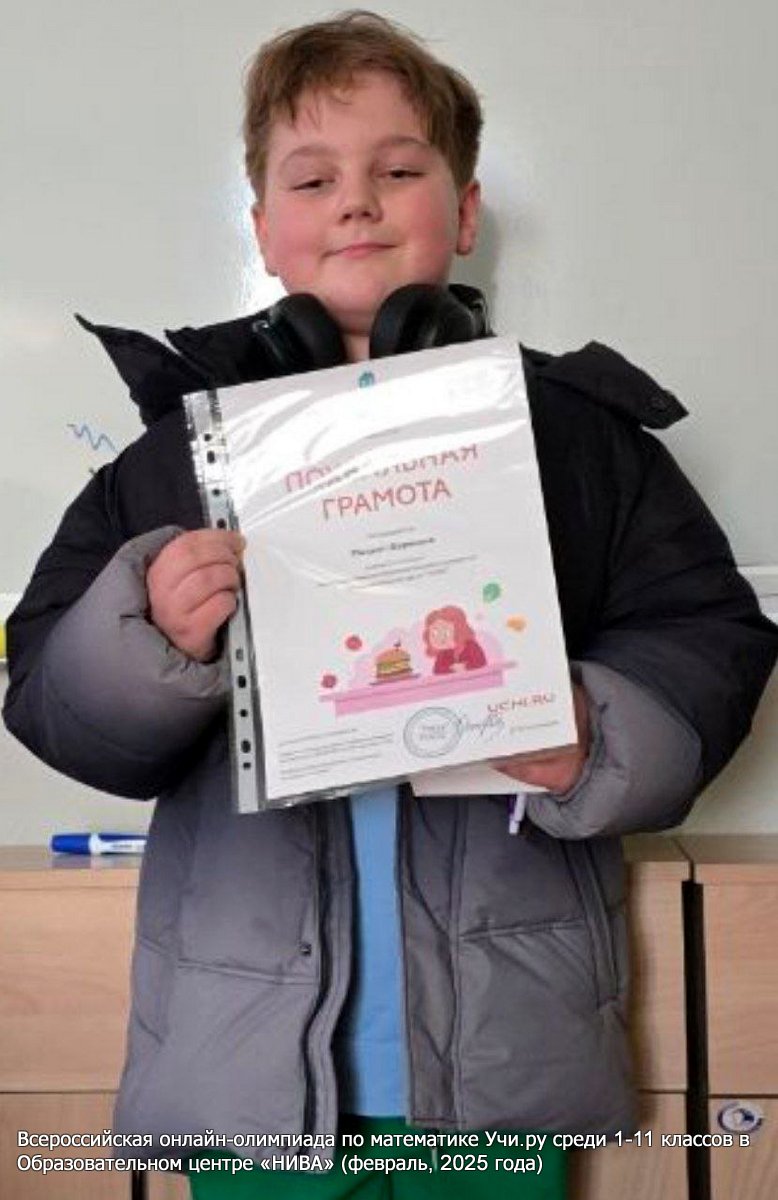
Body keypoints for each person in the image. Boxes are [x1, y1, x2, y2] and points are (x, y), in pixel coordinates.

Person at [4, 10, 777, 1200]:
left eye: (398, 171)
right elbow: (52, 696)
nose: (356, 204)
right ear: (264, 231)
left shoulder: (580, 441)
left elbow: (706, 636)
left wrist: (591, 735)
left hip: (502, 1050)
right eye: (313, 180)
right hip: (245, 1064)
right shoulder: (170, 461)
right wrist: (150, 634)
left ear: (463, 213)